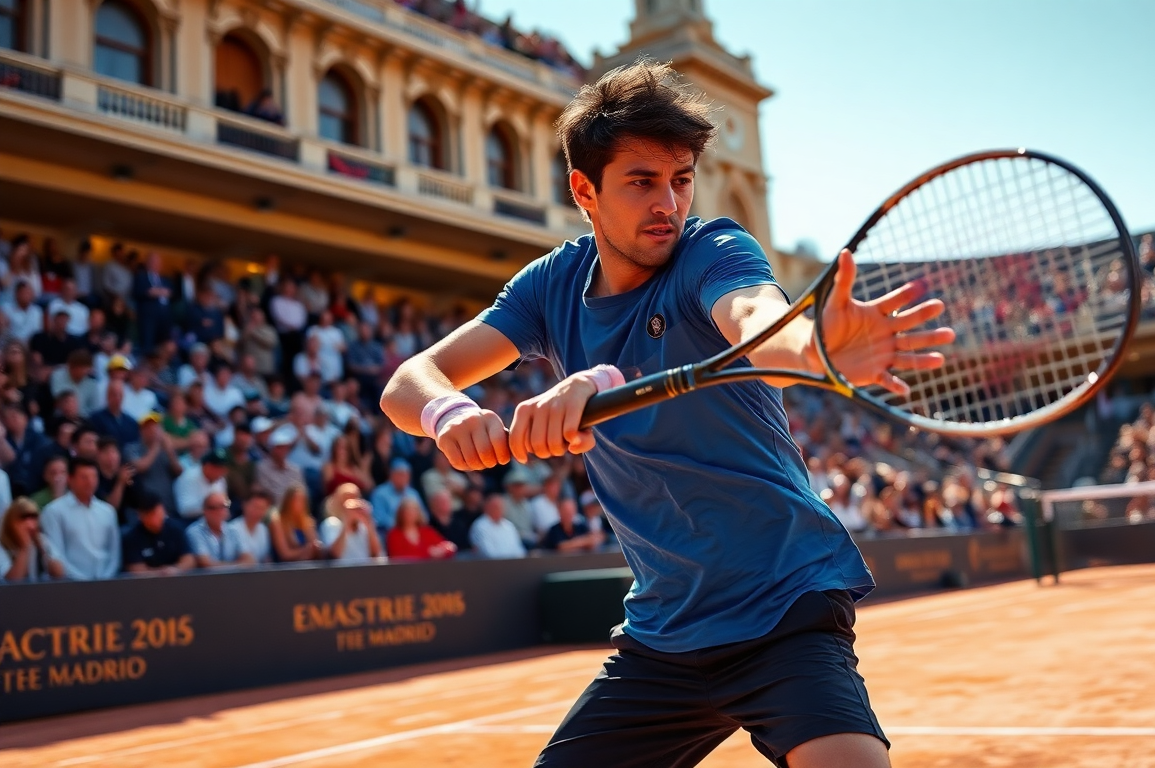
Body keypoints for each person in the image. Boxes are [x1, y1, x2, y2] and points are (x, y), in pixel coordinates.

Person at [381, 61, 953, 767]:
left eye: (681, 179)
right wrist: (446, 413)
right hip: (664, 634)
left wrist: (819, 348)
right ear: (583, 191)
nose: (669, 204)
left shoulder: (714, 251)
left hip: (785, 608)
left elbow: (758, 319)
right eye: (642, 182)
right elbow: (410, 380)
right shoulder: (550, 285)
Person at [40, 458, 121, 580]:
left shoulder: (107, 511)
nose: (90, 482)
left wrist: (106, 577)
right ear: (70, 479)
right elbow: (55, 552)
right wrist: (81, 580)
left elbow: (115, 552)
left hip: (105, 582)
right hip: (69, 585)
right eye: (84, 477)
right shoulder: (54, 511)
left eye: (93, 477)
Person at [122, 491, 194, 575]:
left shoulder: (176, 529)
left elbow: (189, 560)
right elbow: (135, 569)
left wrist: (175, 570)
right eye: (149, 515)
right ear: (140, 516)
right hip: (146, 585)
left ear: (163, 510)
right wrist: (159, 573)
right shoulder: (132, 537)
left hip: (177, 582)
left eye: (156, 513)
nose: (154, 519)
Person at [1, 497, 66, 582]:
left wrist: (43, 549)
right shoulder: (2, 545)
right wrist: (24, 547)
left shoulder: (41, 540)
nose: (29, 524)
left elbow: (60, 574)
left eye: (33, 517)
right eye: (23, 518)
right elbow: (11, 582)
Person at [319, 482, 383, 563]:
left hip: (365, 572)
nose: (351, 503)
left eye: (355, 498)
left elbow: (376, 553)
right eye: (346, 498)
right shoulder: (331, 523)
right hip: (341, 573)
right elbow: (334, 554)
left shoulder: (364, 525)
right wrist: (347, 522)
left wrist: (369, 523)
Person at [185, 490, 251, 568]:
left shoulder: (233, 530)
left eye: (224, 507)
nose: (220, 511)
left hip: (233, 579)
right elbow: (205, 563)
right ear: (205, 510)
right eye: (214, 508)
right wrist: (237, 566)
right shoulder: (194, 532)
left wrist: (232, 567)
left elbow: (249, 559)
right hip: (206, 579)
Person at [385, 495, 454, 560]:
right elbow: (397, 557)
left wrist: (441, 551)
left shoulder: (427, 531)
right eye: (407, 511)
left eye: (413, 511)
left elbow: (449, 547)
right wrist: (428, 553)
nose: (410, 514)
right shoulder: (393, 534)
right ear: (401, 513)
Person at [369, 457, 424, 534]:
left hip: (412, 532)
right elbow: (378, 519)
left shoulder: (413, 493)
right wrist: (403, 524)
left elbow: (424, 517)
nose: (404, 478)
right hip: (389, 534)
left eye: (407, 475)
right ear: (392, 475)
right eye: (400, 474)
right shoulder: (379, 493)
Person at [270, 483, 323, 562]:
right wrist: (305, 551)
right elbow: (285, 554)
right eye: (296, 499)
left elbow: (314, 545)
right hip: (285, 568)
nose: (299, 503)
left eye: (302, 500)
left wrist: (316, 547)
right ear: (288, 501)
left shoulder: (308, 521)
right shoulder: (277, 522)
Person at [173, 449, 229, 520]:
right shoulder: (188, 477)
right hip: (190, 520)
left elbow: (226, 502)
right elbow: (184, 510)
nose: (222, 472)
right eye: (218, 468)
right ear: (207, 466)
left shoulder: (221, 480)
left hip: (214, 518)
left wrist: (225, 506)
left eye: (223, 468)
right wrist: (211, 506)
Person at [467, 493, 525, 560]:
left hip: (514, 565)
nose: (499, 509)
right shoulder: (480, 526)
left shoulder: (509, 526)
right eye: (496, 507)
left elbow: (519, 550)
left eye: (501, 507)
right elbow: (487, 553)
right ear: (487, 507)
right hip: (489, 567)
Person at [539, 497, 605, 553]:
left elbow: (592, 541)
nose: (568, 515)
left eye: (570, 512)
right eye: (566, 512)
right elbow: (562, 547)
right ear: (559, 512)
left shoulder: (581, 527)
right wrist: (584, 541)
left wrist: (589, 540)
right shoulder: (554, 530)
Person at [228, 487, 273, 565]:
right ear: (244, 505)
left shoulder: (264, 529)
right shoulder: (232, 528)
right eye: (255, 507)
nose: (258, 512)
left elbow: (266, 558)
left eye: (262, 508)